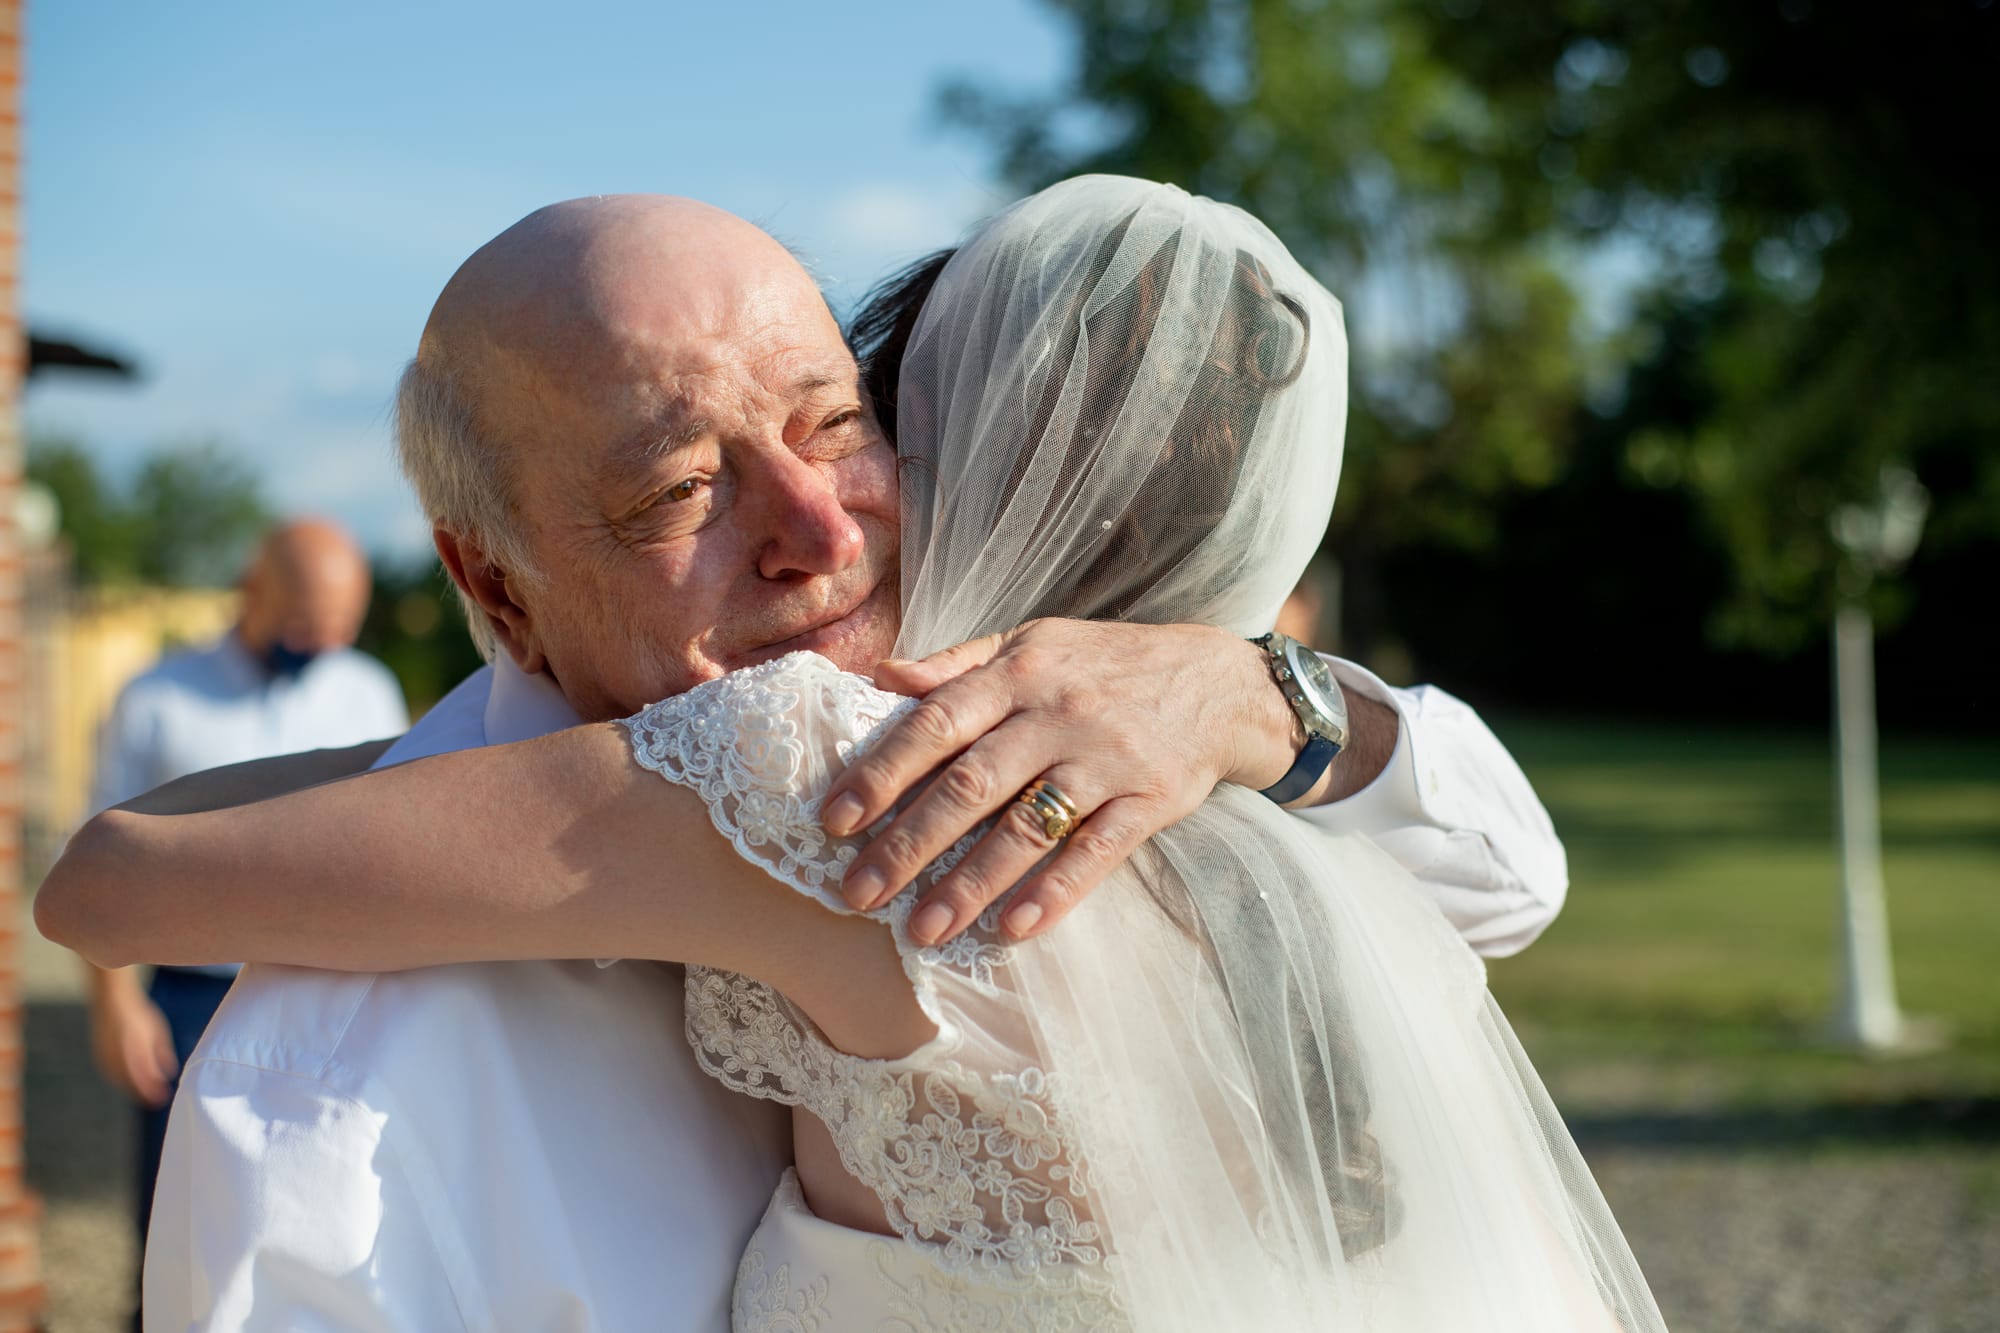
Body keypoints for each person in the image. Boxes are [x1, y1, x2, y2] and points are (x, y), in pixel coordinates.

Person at [41, 189, 1577, 1329]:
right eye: (681, 491)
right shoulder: (1267, 819)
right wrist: (1256, 694)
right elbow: (1515, 875)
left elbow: (110, 880)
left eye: (841, 423)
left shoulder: (811, 773)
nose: (823, 529)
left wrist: (1248, 692)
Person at [72, 516, 408, 1308]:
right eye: (303, 622)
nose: (320, 640)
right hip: (191, 996)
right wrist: (114, 1006)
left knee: (322, 1216)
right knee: (179, 1219)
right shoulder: (155, 698)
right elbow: (93, 869)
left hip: (334, 992)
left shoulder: (369, 691)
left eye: (337, 626)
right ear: (250, 589)